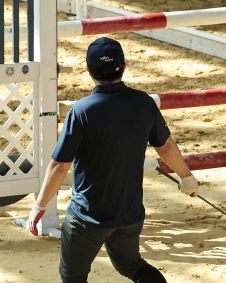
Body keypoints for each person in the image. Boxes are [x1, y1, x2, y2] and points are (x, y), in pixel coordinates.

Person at [26, 36, 199, 283]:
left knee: (72, 276)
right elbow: (166, 147)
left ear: (88, 70)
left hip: (87, 217)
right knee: (133, 266)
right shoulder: (144, 103)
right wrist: (187, 177)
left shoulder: (82, 110)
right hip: (129, 214)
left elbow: (60, 165)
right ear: (124, 66)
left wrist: (39, 206)